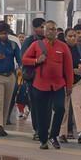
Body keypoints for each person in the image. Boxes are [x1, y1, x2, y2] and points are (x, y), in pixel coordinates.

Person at [22, 20, 74, 149]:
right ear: (44, 31)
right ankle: (43, 139)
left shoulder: (63, 46)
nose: (52, 31)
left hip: (58, 85)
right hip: (40, 85)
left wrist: (69, 86)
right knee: (42, 113)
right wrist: (36, 60)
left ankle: (54, 135)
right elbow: (24, 60)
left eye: (54, 29)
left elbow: (68, 68)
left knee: (60, 108)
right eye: (50, 29)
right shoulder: (36, 45)